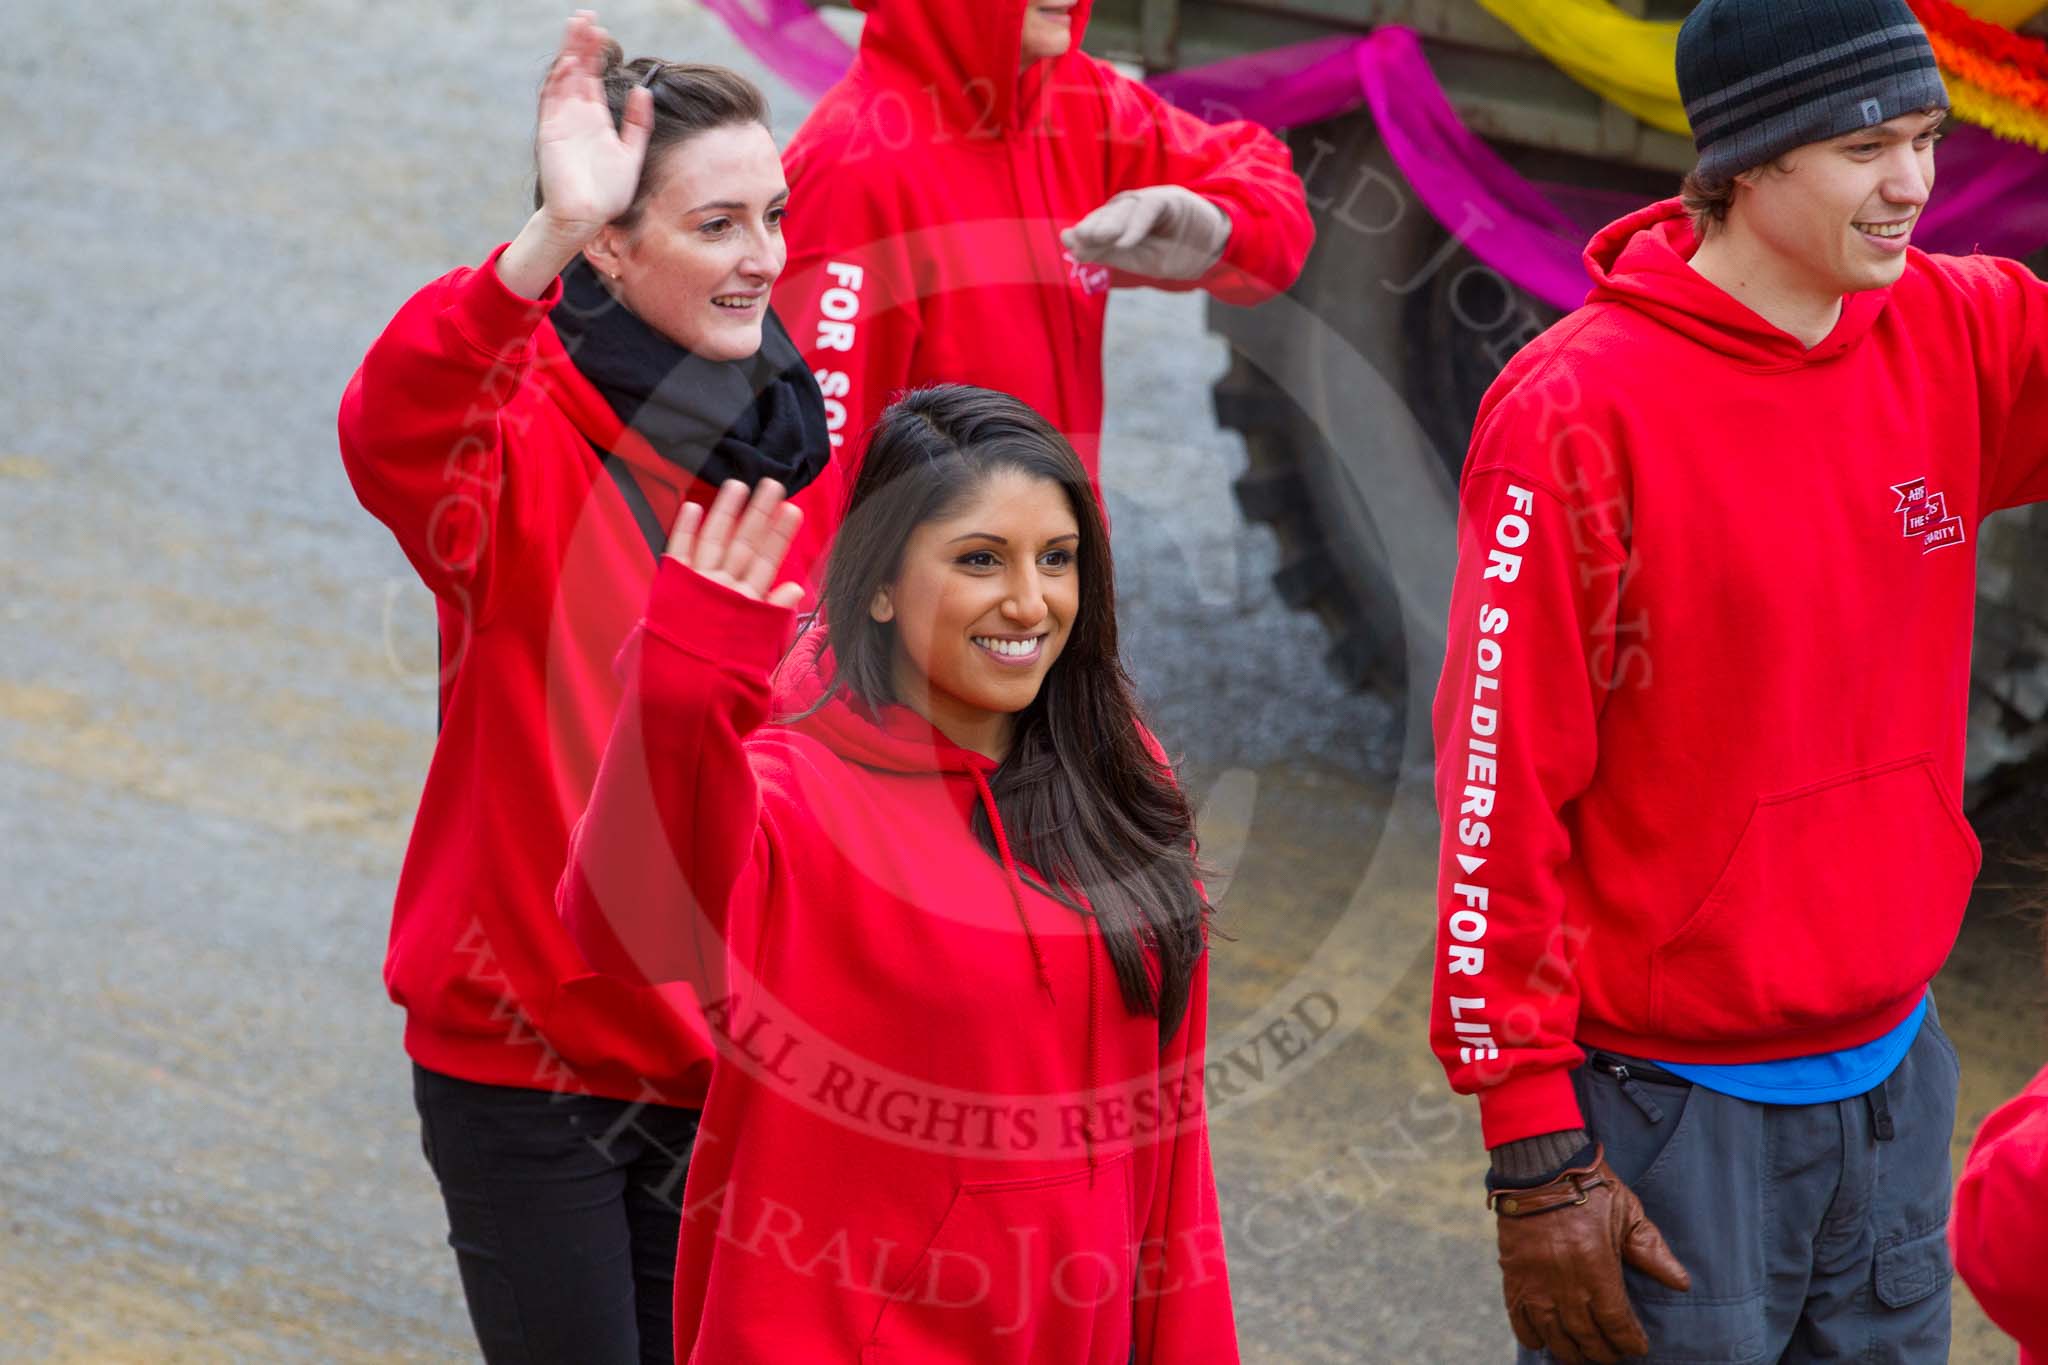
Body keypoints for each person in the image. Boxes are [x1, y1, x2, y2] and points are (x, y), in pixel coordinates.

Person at [1425, 0, 2048, 1360]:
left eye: (1927, 139)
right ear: (1746, 163)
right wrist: (1533, 1148)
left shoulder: (1959, 330)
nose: (1913, 186)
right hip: (1670, 1116)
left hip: (1898, 1081)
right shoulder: (1574, 412)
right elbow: (1496, 785)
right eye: (1865, 147)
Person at [335, 13, 827, 1361]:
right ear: (614, 243)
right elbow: (392, 424)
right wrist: (542, 239)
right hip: (530, 1064)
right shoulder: (520, 436)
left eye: (771, 218)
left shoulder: (801, 455)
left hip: (733, 1075)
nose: (765, 257)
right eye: (717, 225)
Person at [558, 384, 1235, 1362]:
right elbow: (625, 931)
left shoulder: (1116, 768)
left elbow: (1169, 1144)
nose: (1028, 602)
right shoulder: (793, 799)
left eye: (1056, 559)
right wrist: (681, 694)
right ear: (878, 583)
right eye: (977, 561)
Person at [772, 0, 1314, 568]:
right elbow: (805, 489)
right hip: (931, 629)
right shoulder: (851, 175)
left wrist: (1218, 226)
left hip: (1042, 601)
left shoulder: (1078, 102)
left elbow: (1265, 187)